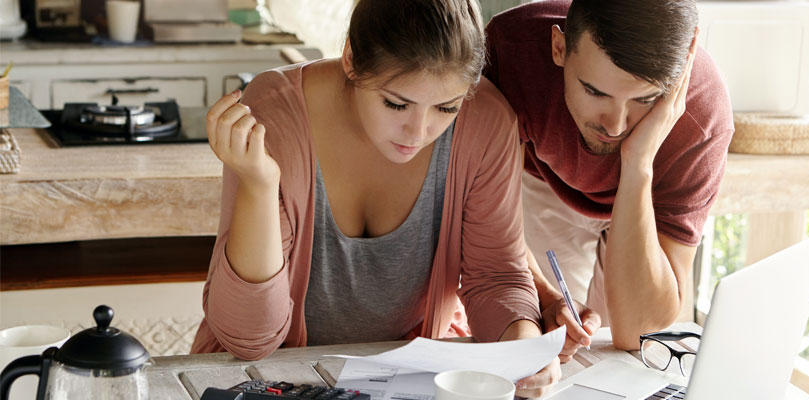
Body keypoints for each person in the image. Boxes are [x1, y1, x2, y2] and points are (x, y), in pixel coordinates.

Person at [190, 0, 559, 396]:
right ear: (351, 58)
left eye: (446, 107)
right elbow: (249, 339)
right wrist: (259, 185)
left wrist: (523, 349)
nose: (418, 131)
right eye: (396, 103)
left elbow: (496, 277)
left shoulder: (487, 120)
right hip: (267, 379)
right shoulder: (274, 110)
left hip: (407, 376)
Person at [484, 0, 734, 355]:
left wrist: (638, 161)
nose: (615, 126)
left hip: (646, 198)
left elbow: (639, 331)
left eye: (645, 99)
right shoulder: (510, 50)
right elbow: (479, 217)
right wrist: (544, 295)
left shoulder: (703, 115)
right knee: (554, 344)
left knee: (633, 355)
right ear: (559, 48)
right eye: (595, 91)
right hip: (545, 179)